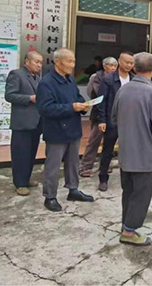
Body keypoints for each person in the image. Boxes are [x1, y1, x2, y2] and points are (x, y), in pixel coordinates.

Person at [112, 52, 152, 246]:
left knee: (128, 191)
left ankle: (125, 224)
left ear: (134, 68)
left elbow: (114, 118)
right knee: (142, 193)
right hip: (144, 152)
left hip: (126, 150)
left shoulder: (123, 90)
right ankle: (129, 231)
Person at [37, 48, 94, 212]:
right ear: (58, 62)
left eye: (73, 61)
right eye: (69, 61)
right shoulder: (46, 83)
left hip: (73, 128)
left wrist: (83, 105)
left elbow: (78, 97)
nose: (72, 65)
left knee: (73, 162)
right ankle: (50, 196)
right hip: (56, 131)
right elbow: (45, 108)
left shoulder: (70, 79)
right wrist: (72, 107)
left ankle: (73, 189)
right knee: (53, 166)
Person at [5, 50, 43, 196]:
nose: (39, 65)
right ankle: (19, 184)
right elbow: (9, 95)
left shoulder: (37, 77)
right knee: (20, 154)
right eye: (36, 62)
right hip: (22, 122)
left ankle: (26, 178)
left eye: (41, 63)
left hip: (35, 122)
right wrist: (29, 98)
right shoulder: (16, 74)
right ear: (26, 61)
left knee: (31, 153)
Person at [96, 51, 135, 192]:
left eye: (131, 63)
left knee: (129, 150)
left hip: (129, 121)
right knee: (107, 150)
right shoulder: (109, 79)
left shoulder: (134, 79)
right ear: (119, 61)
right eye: (126, 62)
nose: (129, 65)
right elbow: (102, 101)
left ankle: (129, 178)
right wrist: (102, 120)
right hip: (112, 120)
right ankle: (103, 178)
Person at [79, 57, 118, 177]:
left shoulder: (117, 77)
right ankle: (85, 166)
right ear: (104, 66)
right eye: (110, 65)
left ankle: (105, 165)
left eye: (114, 66)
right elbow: (91, 92)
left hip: (113, 113)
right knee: (94, 140)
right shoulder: (96, 77)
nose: (113, 68)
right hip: (99, 112)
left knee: (109, 141)